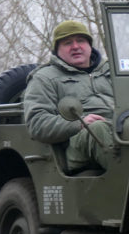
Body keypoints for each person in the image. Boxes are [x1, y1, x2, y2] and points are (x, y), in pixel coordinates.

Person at [24, 20, 115, 172]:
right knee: (97, 128)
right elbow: (37, 122)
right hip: (80, 143)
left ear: (89, 46)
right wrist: (79, 123)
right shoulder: (45, 78)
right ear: (57, 50)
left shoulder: (111, 71)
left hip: (122, 132)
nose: (75, 46)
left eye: (81, 40)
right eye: (67, 43)